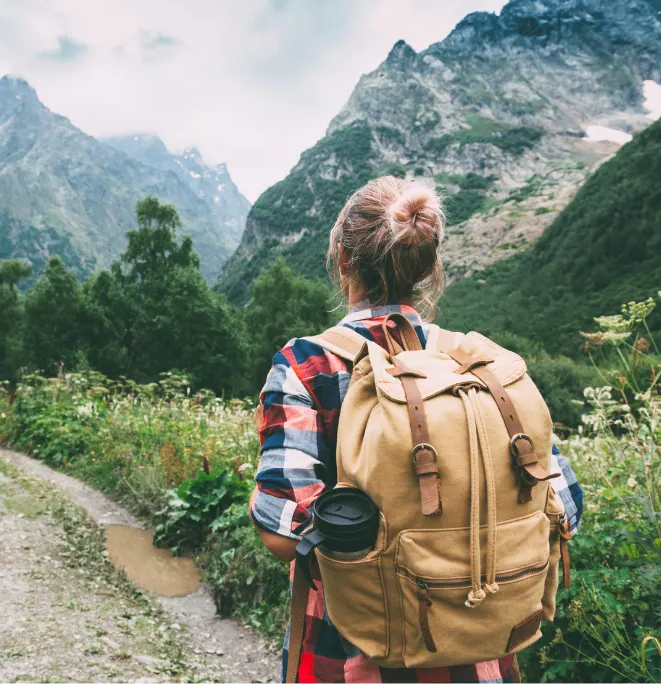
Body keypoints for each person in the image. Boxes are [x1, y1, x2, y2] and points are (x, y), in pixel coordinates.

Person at [249, 176, 583, 683]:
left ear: (343, 259)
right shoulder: (476, 365)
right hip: (482, 653)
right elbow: (566, 508)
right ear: (428, 267)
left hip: (353, 652)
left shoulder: (308, 365)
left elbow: (279, 529)